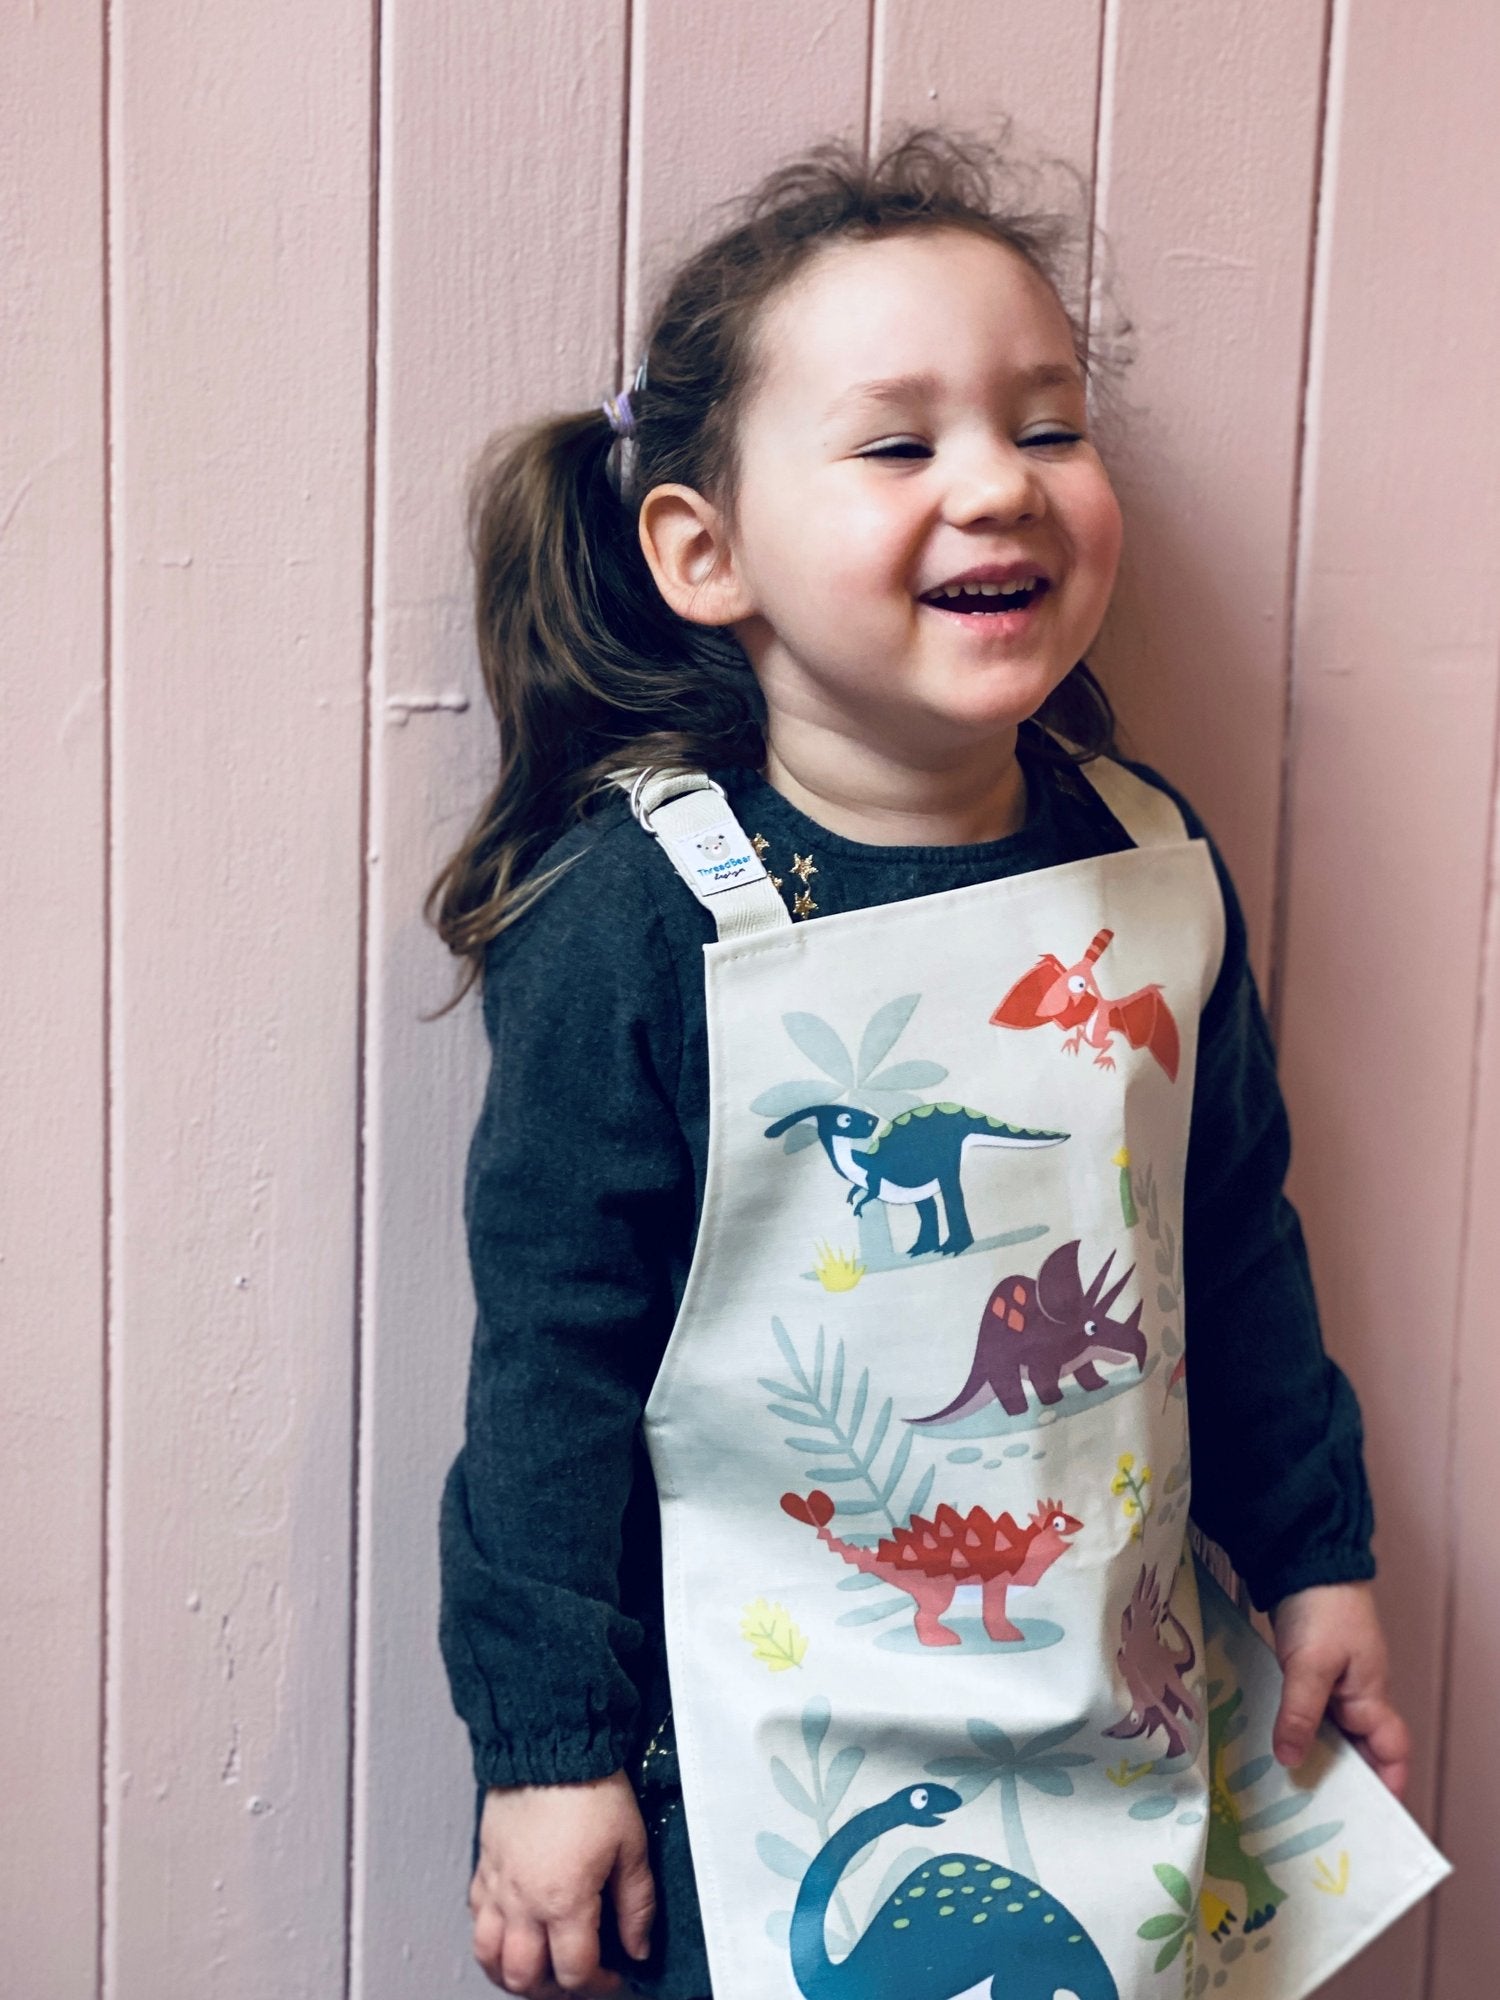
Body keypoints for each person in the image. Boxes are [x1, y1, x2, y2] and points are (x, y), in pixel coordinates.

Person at [433, 130, 1411, 2000]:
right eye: (901, 444)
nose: (1000, 487)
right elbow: (546, 1358)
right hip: (752, 1756)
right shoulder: (641, 916)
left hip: (1116, 1704)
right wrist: (546, 1748)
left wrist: (1320, 1557)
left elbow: (1234, 1248)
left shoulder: (1153, 859)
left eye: (1048, 429)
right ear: (701, 551)